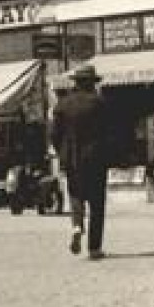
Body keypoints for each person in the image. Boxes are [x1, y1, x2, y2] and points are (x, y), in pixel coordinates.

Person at [52, 64, 111, 260]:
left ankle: (77, 225)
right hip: (95, 158)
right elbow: (108, 133)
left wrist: (62, 152)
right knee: (96, 203)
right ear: (92, 83)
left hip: (72, 158)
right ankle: (94, 248)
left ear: (76, 83)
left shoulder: (62, 105)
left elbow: (54, 135)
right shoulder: (100, 104)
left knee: (76, 195)